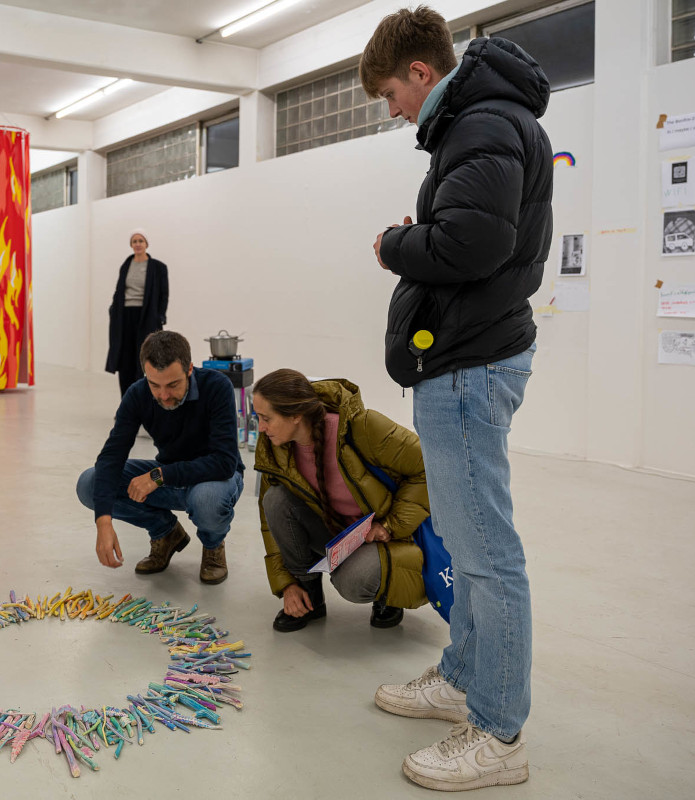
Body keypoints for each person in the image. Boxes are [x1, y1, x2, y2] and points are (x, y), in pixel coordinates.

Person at [361, 7, 552, 791]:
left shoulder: (480, 126)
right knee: (470, 547)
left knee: (487, 554)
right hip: (467, 360)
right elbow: (471, 235)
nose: (392, 110)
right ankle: (463, 678)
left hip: (471, 365)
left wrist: (393, 244)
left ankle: (499, 732)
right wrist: (429, 234)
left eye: (389, 95)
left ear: (420, 73)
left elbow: (472, 244)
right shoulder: (482, 123)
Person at [252, 369, 430, 632]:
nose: (261, 427)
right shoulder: (277, 448)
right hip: (340, 533)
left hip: (385, 536)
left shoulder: (362, 427)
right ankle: (308, 596)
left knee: (353, 582)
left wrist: (390, 525)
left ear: (295, 415)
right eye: (258, 417)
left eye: (266, 418)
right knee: (275, 501)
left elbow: (427, 469)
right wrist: (288, 584)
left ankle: (388, 596)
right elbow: (272, 524)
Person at [77, 330, 243, 584]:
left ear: (189, 369)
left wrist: (159, 475)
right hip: (169, 475)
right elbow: (112, 456)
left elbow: (223, 462)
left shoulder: (217, 387)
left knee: (207, 499)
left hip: (215, 478)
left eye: (173, 385)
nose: (164, 395)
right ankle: (165, 533)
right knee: (89, 483)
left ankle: (213, 546)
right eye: (155, 385)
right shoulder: (138, 393)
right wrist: (103, 521)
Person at [105, 230, 168, 396]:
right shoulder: (126, 265)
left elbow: (164, 294)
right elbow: (119, 291)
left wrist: (160, 316)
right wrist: (113, 309)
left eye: (141, 241)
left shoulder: (158, 267)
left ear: (146, 244)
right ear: (131, 245)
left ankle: (144, 403)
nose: (138, 244)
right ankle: (127, 403)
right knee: (125, 361)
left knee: (145, 361)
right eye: (134, 241)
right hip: (124, 317)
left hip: (146, 318)